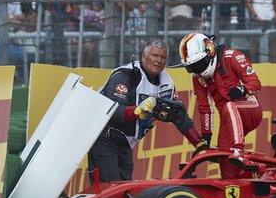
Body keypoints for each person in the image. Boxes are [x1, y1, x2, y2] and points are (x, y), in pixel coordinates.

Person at [89, 39, 207, 182]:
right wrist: (138, 110)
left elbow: (179, 116)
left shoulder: (166, 83)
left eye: (163, 57)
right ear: (143, 56)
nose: (158, 60)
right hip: (104, 138)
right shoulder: (126, 75)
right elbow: (114, 111)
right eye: (154, 56)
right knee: (108, 191)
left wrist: (200, 145)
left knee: (123, 192)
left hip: (127, 144)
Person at [179, 33, 262, 178]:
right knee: (225, 157)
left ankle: (238, 150)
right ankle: (237, 186)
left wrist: (243, 89)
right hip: (228, 119)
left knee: (229, 106)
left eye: (198, 64)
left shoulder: (232, 56)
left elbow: (256, 84)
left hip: (250, 109)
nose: (197, 70)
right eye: (192, 67)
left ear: (210, 51)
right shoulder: (197, 78)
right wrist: (206, 136)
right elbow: (205, 108)